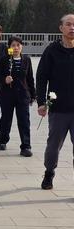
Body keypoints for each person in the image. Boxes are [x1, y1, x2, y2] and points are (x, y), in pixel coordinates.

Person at [37, 14, 74, 190]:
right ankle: (49, 172)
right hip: (58, 109)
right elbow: (42, 77)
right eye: (68, 24)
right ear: (61, 28)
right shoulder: (52, 50)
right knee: (53, 147)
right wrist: (41, 102)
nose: (72, 28)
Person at [0, 36, 35, 156]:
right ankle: (3, 140)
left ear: (21, 46)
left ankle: (26, 146)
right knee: (6, 119)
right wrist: (5, 79)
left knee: (24, 121)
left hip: (23, 95)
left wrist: (33, 95)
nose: (16, 48)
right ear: (9, 47)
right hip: (7, 95)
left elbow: (30, 78)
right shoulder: (4, 59)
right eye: (13, 45)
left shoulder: (26, 59)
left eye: (18, 45)